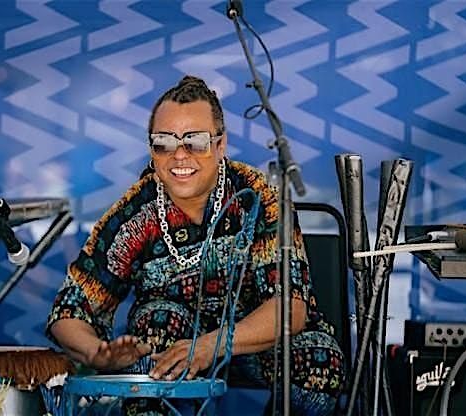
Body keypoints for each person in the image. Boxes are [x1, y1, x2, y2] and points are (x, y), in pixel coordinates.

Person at [47, 76, 345, 415]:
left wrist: (209, 345)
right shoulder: (136, 213)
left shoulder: (257, 196)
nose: (179, 155)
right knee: (155, 324)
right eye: (164, 142)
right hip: (171, 350)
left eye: (195, 141)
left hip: (255, 347)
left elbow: (290, 310)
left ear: (220, 145)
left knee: (321, 360)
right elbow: (68, 310)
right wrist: (97, 354)